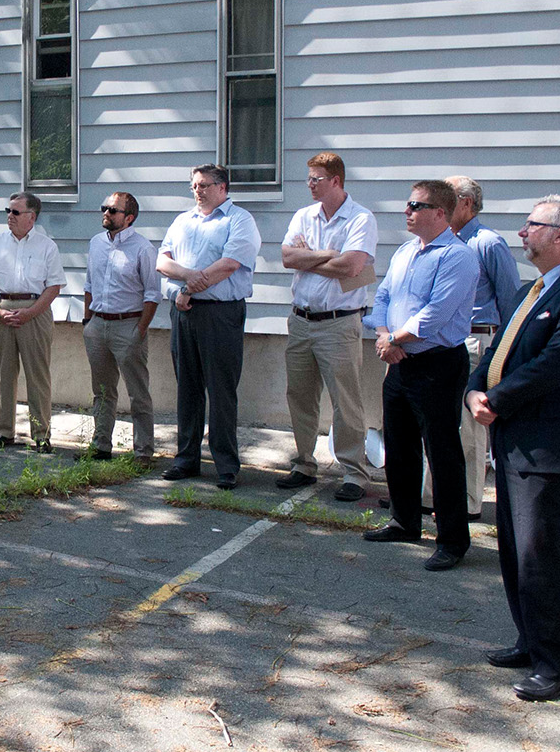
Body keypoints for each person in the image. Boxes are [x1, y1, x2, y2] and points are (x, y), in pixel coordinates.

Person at [465, 199, 560, 701]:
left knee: (541, 557)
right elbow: (499, 351)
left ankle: (557, 666)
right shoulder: (536, 288)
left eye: (533, 225)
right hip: (514, 440)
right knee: (514, 550)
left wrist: (497, 402)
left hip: (550, 446)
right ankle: (530, 640)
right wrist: (474, 389)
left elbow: (556, 363)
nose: (522, 232)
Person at [361, 181, 479, 571]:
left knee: (442, 453)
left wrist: (393, 339)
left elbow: (435, 315)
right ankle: (404, 520)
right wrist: (385, 339)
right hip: (398, 360)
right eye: (408, 204)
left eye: (417, 205)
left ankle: (452, 540)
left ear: (441, 213)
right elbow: (383, 298)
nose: (407, 211)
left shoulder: (457, 257)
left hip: (437, 365)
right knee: (399, 445)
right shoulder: (405, 251)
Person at [279, 152, 378, 501]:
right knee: (301, 396)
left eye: (316, 179)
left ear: (336, 181)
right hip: (301, 320)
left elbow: (353, 267)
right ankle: (304, 463)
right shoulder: (304, 216)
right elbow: (288, 257)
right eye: (308, 178)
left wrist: (312, 256)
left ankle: (354, 472)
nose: (310, 184)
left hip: (339, 323)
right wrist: (329, 255)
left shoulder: (361, 218)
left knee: (345, 400)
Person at [157, 164, 261, 490]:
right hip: (184, 313)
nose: (198, 191)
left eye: (204, 185)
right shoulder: (182, 221)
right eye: (194, 186)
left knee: (221, 391)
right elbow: (162, 261)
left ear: (222, 187)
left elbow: (229, 265)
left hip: (221, 314)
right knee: (187, 389)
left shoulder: (239, 220)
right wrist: (188, 280)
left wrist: (188, 287)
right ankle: (186, 459)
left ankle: (226, 465)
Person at [434, 175, 520, 518]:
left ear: (466, 203)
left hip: (477, 338)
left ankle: (469, 502)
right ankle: (433, 496)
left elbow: (511, 300)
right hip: (441, 340)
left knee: (469, 428)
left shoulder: (488, 243)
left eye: (448, 198)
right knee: (439, 422)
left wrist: (501, 351)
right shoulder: (442, 241)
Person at [0, 192, 66, 453]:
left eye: (15, 212)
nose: (9, 216)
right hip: (2, 310)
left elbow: (54, 287)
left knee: (37, 376)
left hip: (34, 312)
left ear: (31, 217)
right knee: (3, 374)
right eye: (8, 211)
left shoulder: (46, 246)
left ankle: (41, 435)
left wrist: (31, 312)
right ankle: (4, 432)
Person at [83, 191, 160, 467]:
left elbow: (152, 294)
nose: (106, 212)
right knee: (102, 391)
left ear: (128, 218)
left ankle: (143, 452)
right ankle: (101, 445)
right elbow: (89, 285)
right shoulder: (96, 244)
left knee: (138, 392)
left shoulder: (143, 249)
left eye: (112, 210)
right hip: (98, 325)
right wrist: (87, 322)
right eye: (104, 207)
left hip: (128, 325)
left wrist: (139, 331)